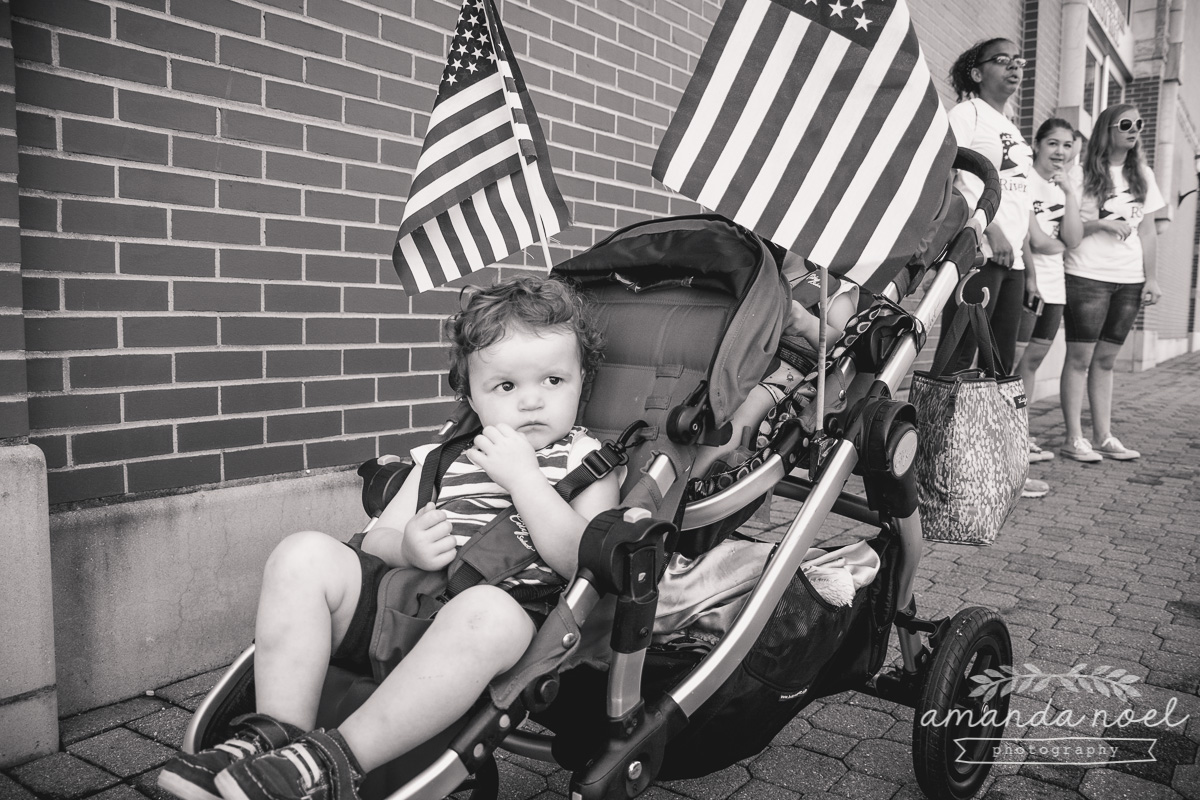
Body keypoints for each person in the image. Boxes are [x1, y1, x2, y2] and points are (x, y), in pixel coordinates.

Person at [158, 276, 620, 800]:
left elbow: (581, 561)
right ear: (470, 392)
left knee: (487, 610)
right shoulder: (445, 458)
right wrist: (406, 546)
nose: (533, 400)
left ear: (583, 379)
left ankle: (332, 765)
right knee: (302, 554)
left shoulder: (589, 461)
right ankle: (275, 741)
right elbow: (376, 542)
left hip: (501, 628)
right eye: (507, 386)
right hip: (407, 604)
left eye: (554, 380)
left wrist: (525, 481)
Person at [941, 38, 1047, 498]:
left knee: (1000, 366)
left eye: (1018, 61)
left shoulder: (1015, 131)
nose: (1014, 67)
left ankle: (993, 468)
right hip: (981, 252)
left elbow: (1022, 201)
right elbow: (946, 174)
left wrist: (1027, 259)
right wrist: (988, 230)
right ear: (978, 72)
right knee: (959, 358)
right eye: (1002, 60)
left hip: (1015, 261)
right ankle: (941, 464)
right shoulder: (968, 114)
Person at [1058, 104, 1163, 462]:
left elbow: (1148, 231)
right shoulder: (1079, 174)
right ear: (1107, 129)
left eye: (1139, 124)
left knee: (1106, 360)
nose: (1134, 130)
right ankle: (1074, 438)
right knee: (1079, 357)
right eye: (1126, 124)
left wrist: (1152, 278)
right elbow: (1066, 232)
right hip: (1087, 274)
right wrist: (1100, 225)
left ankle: (1103, 436)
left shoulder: (1143, 175)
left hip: (1129, 279)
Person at [1016, 118, 1083, 464]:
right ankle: (1012, 435)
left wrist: (1070, 192)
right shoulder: (1024, 178)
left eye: (1068, 145)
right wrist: (1049, 248)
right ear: (1038, 144)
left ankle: (1019, 432)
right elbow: (1035, 241)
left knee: (1034, 361)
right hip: (1031, 282)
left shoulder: (1063, 187)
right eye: (1054, 143)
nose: (1060, 151)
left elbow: (1072, 240)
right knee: (1018, 362)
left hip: (1056, 288)